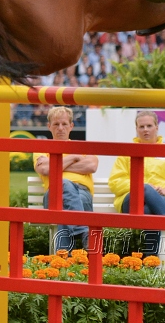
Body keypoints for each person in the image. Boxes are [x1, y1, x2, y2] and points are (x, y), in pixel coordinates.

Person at [107, 111, 165, 258]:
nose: (145, 130)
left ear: (157, 127)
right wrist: (143, 187)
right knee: (144, 188)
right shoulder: (127, 152)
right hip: (132, 199)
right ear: (136, 129)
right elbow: (115, 182)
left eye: (149, 126)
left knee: (149, 210)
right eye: (142, 126)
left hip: (163, 199)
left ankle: (149, 260)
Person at [33, 106, 99, 250]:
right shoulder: (42, 148)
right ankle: (84, 232)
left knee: (64, 203)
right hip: (53, 194)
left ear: (71, 126)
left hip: (82, 194)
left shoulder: (83, 146)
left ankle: (63, 258)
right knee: (63, 184)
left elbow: (91, 166)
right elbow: (44, 169)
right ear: (49, 126)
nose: (60, 128)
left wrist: (55, 165)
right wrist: (74, 157)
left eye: (64, 124)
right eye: (56, 124)